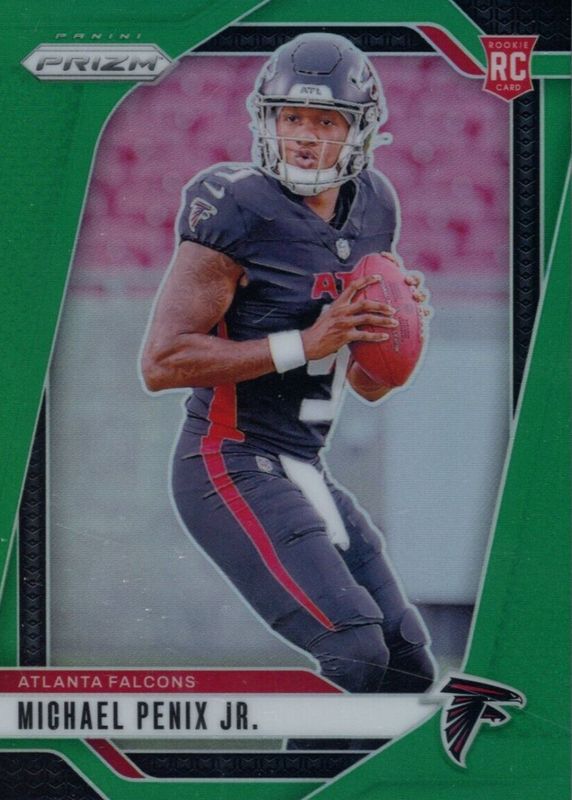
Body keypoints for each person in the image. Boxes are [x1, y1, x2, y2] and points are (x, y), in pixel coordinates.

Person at [141, 33, 436, 745]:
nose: (303, 136)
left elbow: (368, 386)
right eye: (290, 118)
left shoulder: (375, 205)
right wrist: (306, 342)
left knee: (406, 663)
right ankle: (294, 786)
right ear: (265, 121)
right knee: (355, 649)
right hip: (227, 460)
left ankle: (367, 787)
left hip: (305, 466)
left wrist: (397, 327)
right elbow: (161, 362)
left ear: (360, 130)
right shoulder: (235, 206)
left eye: (325, 120)